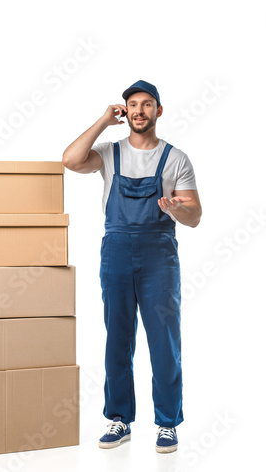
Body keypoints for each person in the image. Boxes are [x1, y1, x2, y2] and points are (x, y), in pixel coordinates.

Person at [62, 80, 202, 453]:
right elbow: (70, 160)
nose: (139, 110)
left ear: (159, 111)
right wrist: (103, 120)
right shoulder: (109, 152)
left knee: (164, 340)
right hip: (117, 252)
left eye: (147, 104)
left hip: (160, 257)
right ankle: (119, 419)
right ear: (125, 112)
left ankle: (168, 423)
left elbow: (195, 217)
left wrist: (177, 208)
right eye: (132, 105)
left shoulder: (176, 158)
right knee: (117, 339)